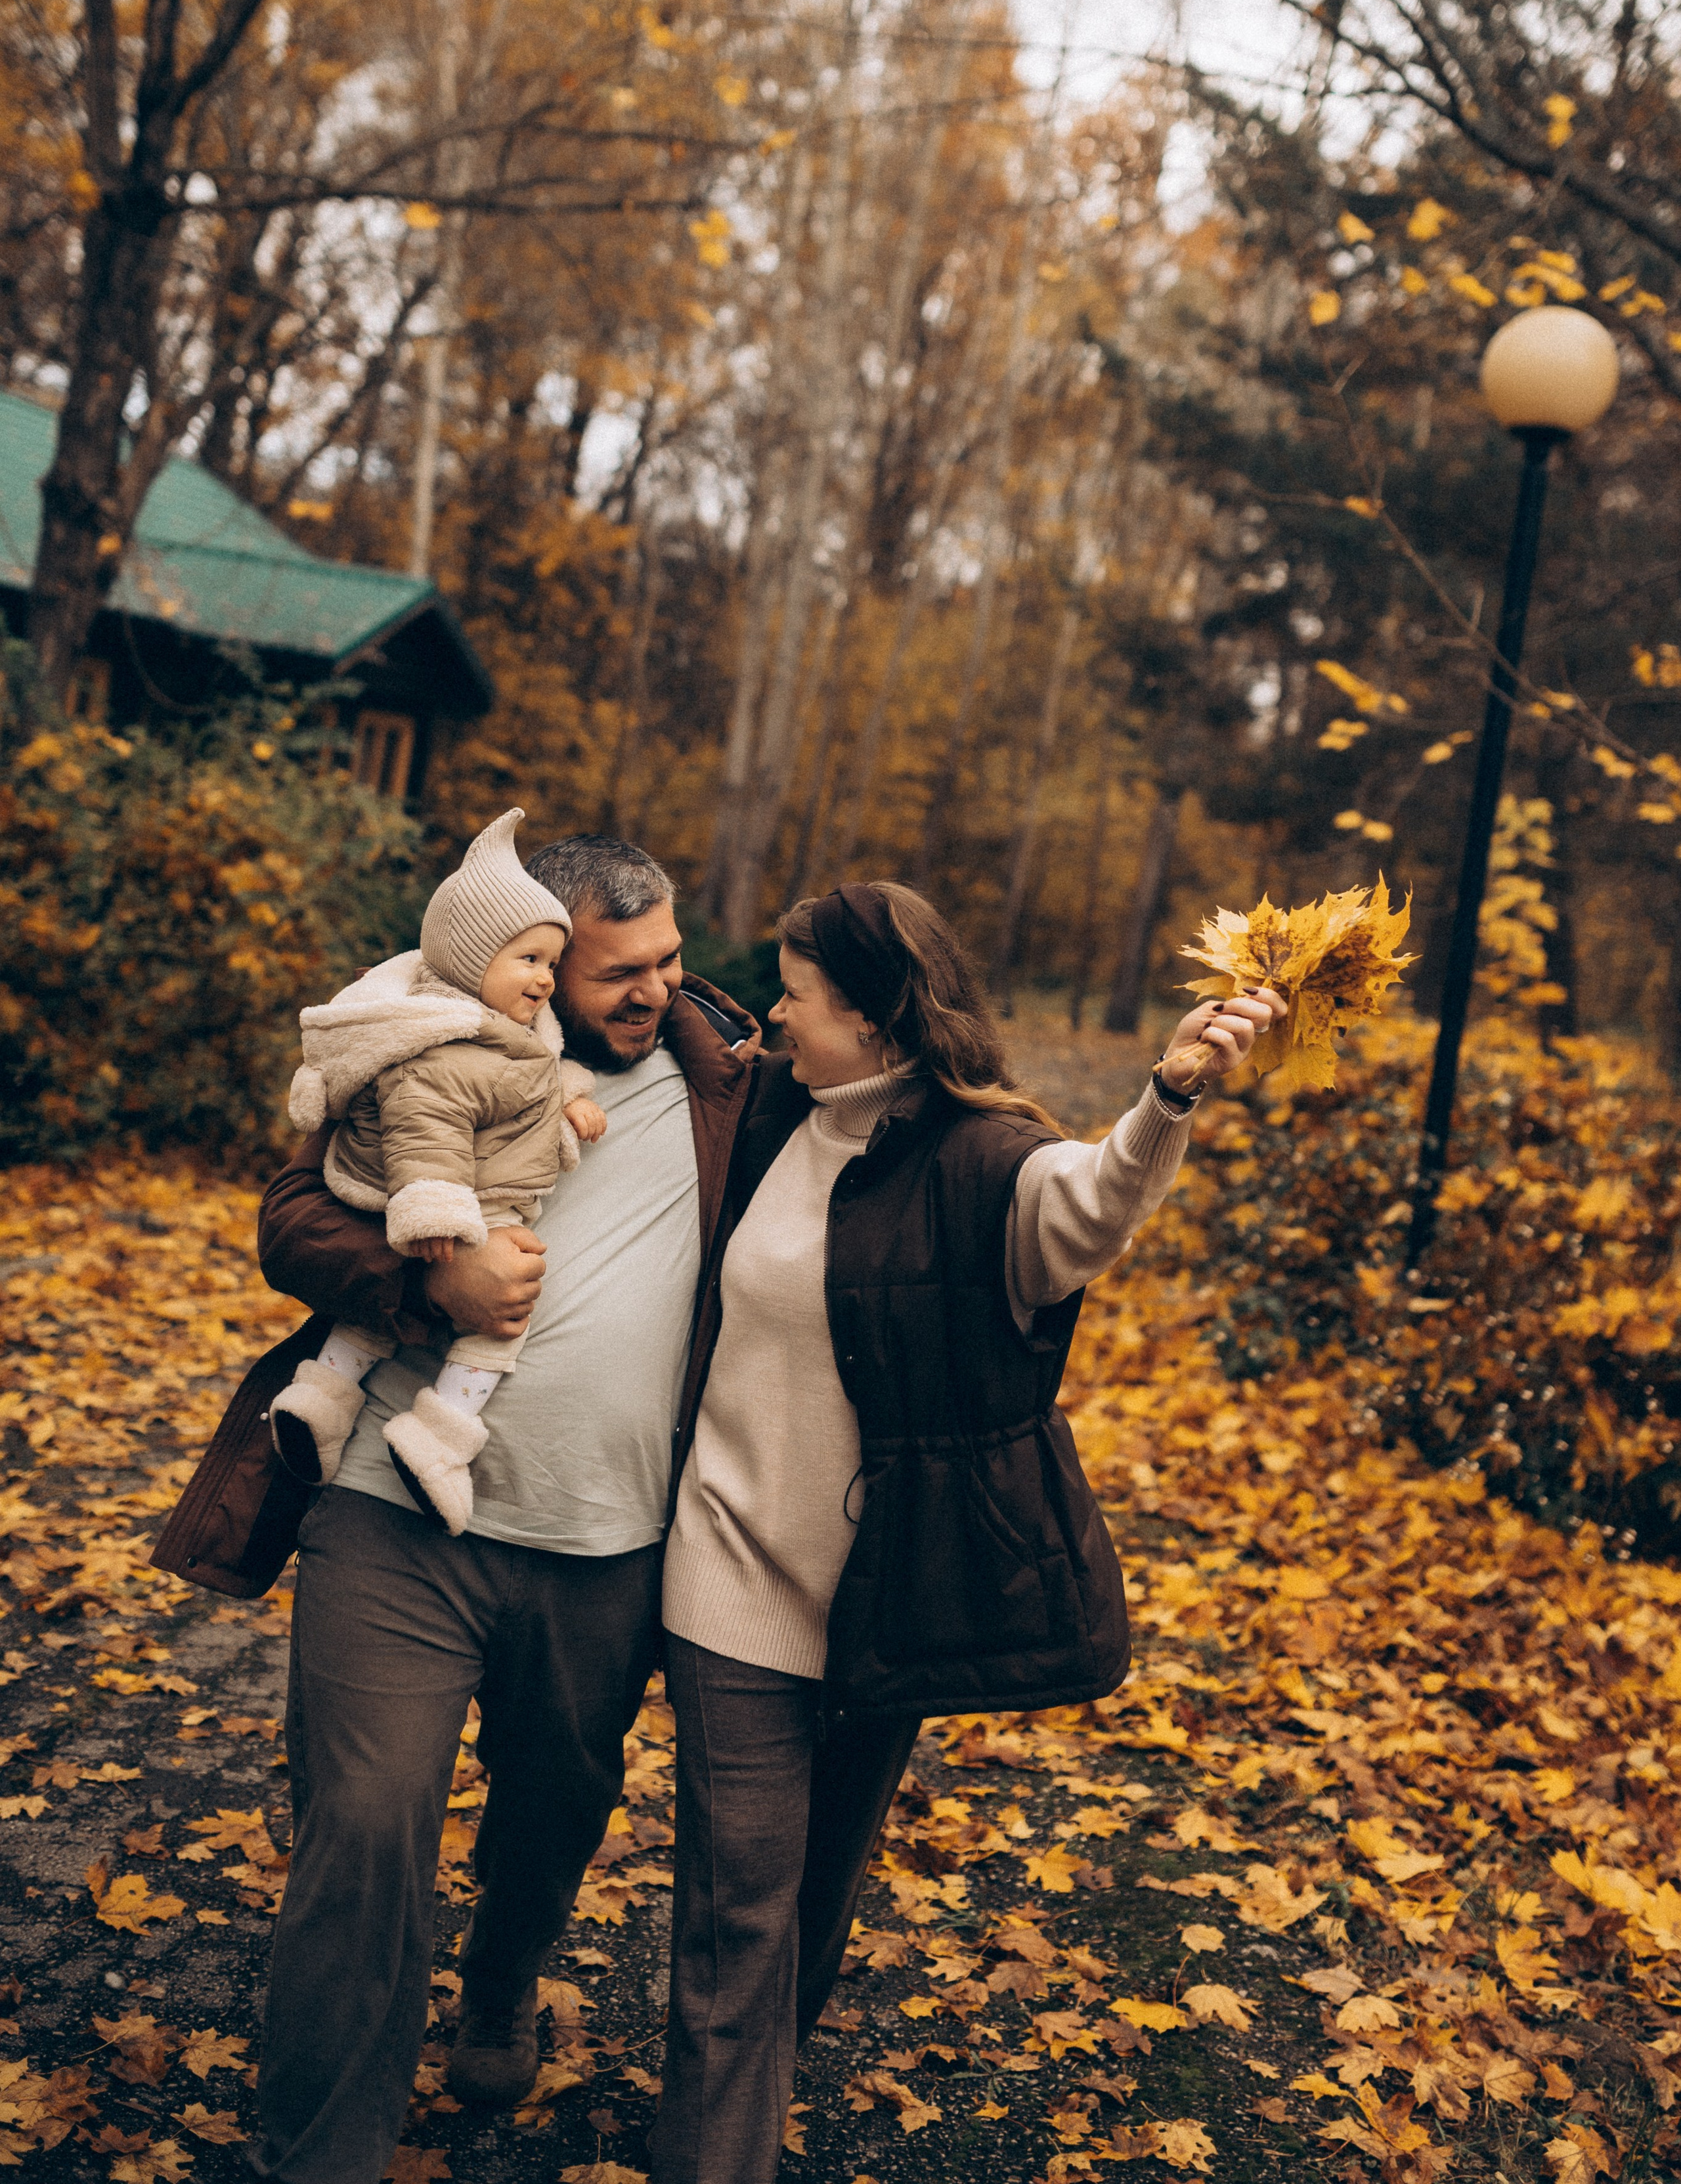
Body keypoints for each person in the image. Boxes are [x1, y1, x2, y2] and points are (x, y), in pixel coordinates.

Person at [157, 835, 772, 2184]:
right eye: (620, 972)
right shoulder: (428, 1036)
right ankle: (321, 2152)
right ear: (532, 966)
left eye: (670, 961)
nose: (655, 991)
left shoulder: (723, 1073)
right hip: (394, 1514)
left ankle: (502, 1970)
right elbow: (286, 1214)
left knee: (555, 1811)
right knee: (366, 1825)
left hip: (606, 1543)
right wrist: (422, 1286)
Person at [649, 880, 1283, 2184]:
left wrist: (1166, 1097)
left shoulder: (979, 1158)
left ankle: (760, 2061)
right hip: (724, 1574)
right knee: (734, 1912)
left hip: (885, 1598)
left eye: (800, 995)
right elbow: (635, 1017)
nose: (775, 1013)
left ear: (881, 1016)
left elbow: (1084, 1206)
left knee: (808, 1913)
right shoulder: (764, 1110)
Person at [268, 807, 606, 1533]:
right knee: (501, 1322)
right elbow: (430, 1120)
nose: (546, 979)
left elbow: (531, 1070)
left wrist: (571, 1098)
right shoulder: (442, 1044)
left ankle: (319, 1398)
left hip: (448, 1196)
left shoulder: (493, 1026)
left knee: (367, 1326)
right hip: (452, 1205)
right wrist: (435, 1214)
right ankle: (440, 1435)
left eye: (553, 962)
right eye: (529, 960)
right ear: (468, 957)